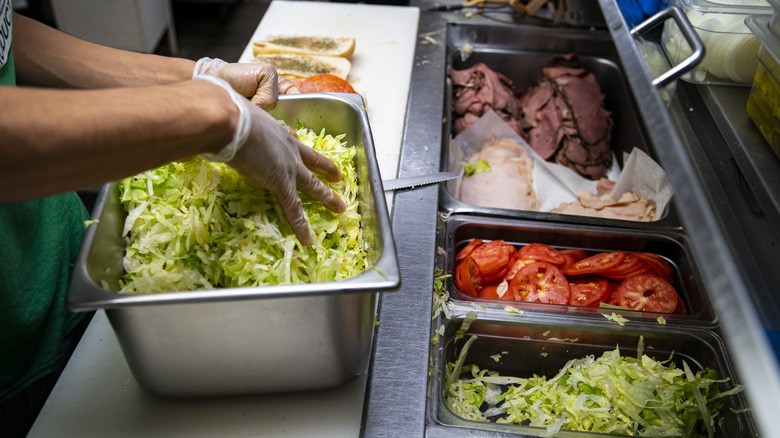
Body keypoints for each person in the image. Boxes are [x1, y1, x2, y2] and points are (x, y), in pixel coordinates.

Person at [0, 10, 346, 436]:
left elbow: (7, 38)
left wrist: (198, 77)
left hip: (70, 271)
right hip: (13, 353)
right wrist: (209, 114)